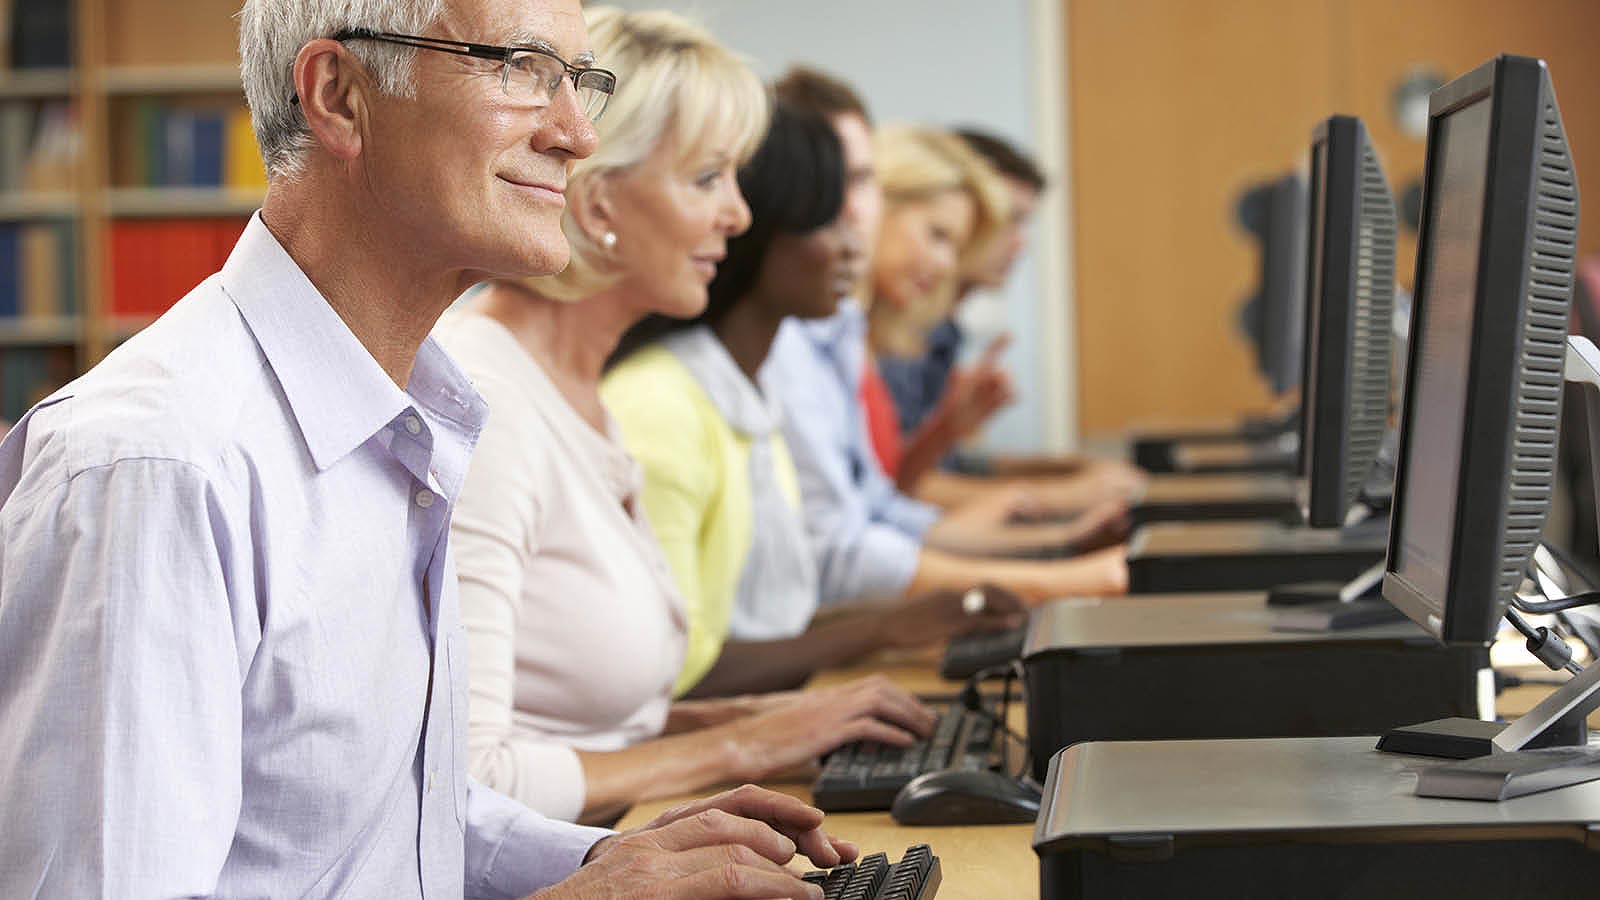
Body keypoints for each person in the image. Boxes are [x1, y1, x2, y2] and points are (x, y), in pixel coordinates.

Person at [0, 2, 858, 897]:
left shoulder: (412, 411)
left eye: (579, 82)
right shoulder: (157, 469)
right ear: (339, 96)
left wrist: (604, 859)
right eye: (522, 70)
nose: (577, 134)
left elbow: (384, 823)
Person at [436, 9, 943, 830]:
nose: (739, 217)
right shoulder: (485, 399)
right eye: (709, 178)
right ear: (599, 201)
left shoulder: (582, 391)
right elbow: (463, 779)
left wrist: (757, 724)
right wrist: (733, 750)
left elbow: (577, 724)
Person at [602, 101, 1026, 701]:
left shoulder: (755, 384)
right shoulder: (663, 399)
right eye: (828, 221)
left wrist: (895, 624)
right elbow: (676, 673)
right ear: (762, 231)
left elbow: (772, 614)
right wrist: (881, 627)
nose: (854, 247)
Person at [766, 66, 1130, 607]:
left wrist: (1059, 542)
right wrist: (1060, 566)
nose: (945, 263)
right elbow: (847, 545)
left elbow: (878, 507)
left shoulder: (843, 333)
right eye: (936, 236)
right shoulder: (803, 337)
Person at [880, 127, 1148, 486]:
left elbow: (938, 468)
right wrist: (1056, 497)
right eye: (1009, 220)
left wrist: (1067, 471)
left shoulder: (944, 330)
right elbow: (898, 490)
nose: (1019, 244)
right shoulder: (895, 331)